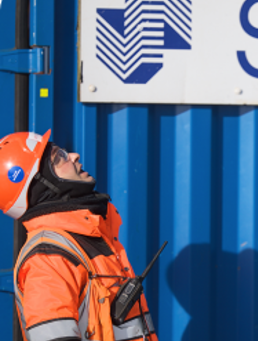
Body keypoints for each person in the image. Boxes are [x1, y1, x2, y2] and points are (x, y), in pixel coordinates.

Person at [0, 130, 158, 341]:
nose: (74, 156)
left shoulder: (92, 236)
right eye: (60, 157)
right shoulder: (48, 260)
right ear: (40, 184)